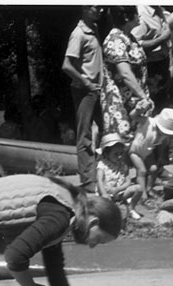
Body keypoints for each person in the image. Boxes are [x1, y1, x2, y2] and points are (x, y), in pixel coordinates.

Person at [62, 6, 104, 194]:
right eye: (96, 7)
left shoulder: (93, 28)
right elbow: (67, 65)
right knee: (84, 135)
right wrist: (86, 82)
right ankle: (88, 182)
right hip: (84, 90)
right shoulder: (78, 34)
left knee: (101, 131)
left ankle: (101, 175)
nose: (100, 10)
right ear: (86, 8)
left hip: (96, 89)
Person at [101, 6, 153, 142]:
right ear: (126, 17)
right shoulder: (115, 40)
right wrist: (143, 96)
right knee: (122, 147)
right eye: (136, 13)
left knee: (137, 146)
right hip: (119, 105)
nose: (139, 16)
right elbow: (125, 73)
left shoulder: (129, 37)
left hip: (134, 104)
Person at [129, 108, 173, 196]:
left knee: (154, 169)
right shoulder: (148, 122)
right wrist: (138, 110)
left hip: (147, 153)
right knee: (142, 171)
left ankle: (149, 188)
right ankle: (142, 193)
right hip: (135, 151)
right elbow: (133, 116)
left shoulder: (164, 136)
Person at [97, 133, 144, 220]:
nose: (119, 156)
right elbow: (99, 181)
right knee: (109, 212)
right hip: (107, 194)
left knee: (139, 188)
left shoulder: (123, 165)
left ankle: (131, 208)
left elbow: (128, 181)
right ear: (106, 154)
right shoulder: (102, 165)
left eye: (121, 153)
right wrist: (104, 193)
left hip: (120, 193)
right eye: (115, 154)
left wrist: (118, 189)